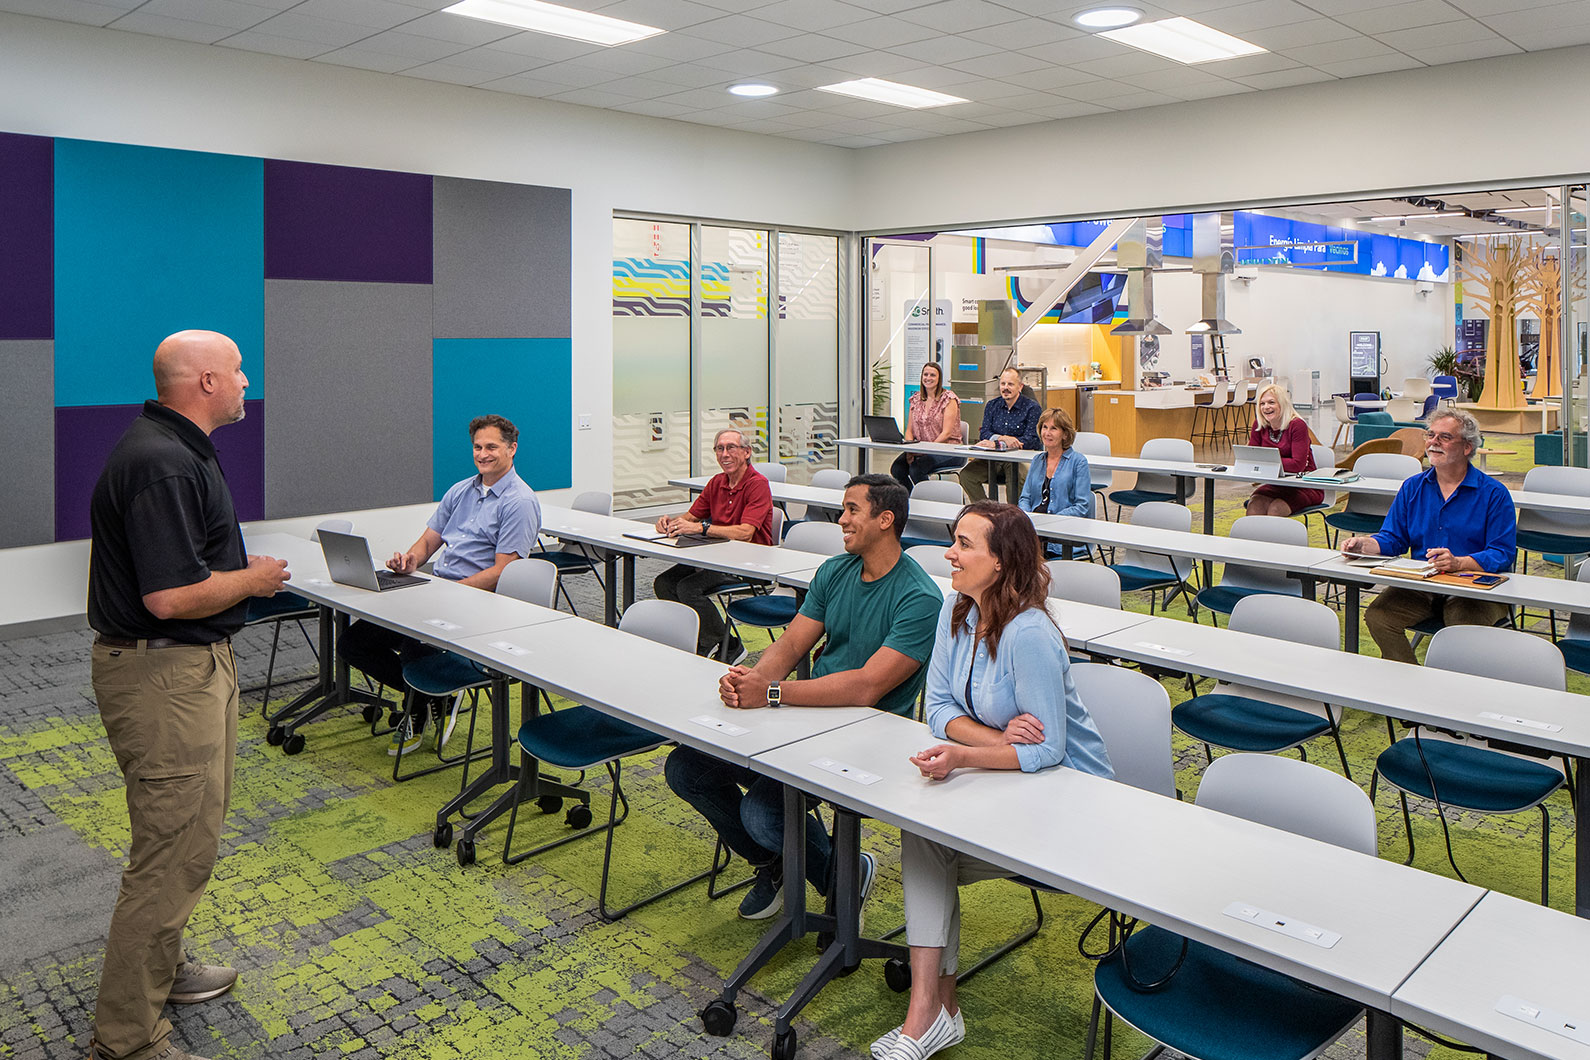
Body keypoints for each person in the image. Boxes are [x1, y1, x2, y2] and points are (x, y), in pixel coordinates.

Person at [86, 330, 292, 1060]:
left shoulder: (176, 449)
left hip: (189, 670)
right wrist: (254, 579)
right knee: (167, 852)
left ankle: (163, 970)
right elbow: (171, 596)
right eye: (237, 372)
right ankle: (127, 1038)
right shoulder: (162, 462)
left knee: (192, 841)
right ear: (206, 381)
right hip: (162, 676)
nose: (247, 382)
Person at [874, 502, 1113, 1060]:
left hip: (1072, 804)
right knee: (924, 834)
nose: (949, 553)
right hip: (1012, 783)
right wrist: (992, 740)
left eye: (963, 544)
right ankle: (931, 1012)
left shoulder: (1028, 633)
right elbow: (934, 707)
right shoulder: (955, 611)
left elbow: (1049, 750)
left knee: (930, 848)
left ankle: (934, 1013)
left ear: (1001, 563)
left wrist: (962, 754)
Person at [663, 474, 941, 920]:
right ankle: (773, 864)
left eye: (853, 510)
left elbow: (868, 686)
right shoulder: (835, 571)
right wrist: (751, 681)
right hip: (805, 711)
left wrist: (772, 692)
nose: (842, 520)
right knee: (685, 768)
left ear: (885, 519)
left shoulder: (920, 597)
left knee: (764, 814)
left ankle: (841, 880)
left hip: (868, 732)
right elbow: (791, 646)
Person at [338, 413, 541, 753]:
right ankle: (426, 700)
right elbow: (429, 541)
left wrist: (453, 590)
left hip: (478, 603)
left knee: (416, 650)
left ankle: (421, 704)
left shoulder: (519, 502)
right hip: (436, 590)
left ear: (512, 449)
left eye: (492, 446)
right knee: (353, 643)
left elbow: (504, 571)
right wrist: (412, 560)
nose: (483, 454)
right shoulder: (461, 490)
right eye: (477, 447)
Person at [1342, 408, 1516, 665]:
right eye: (1430, 435)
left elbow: (1501, 553)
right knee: (1379, 615)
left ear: (1467, 447)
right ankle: (1412, 682)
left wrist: (1459, 563)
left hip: (1472, 589)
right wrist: (1366, 544)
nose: (1433, 442)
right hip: (1423, 585)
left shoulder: (1494, 494)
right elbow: (1394, 538)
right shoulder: (1413, 487)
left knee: (1458, 632)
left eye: (1444, 437)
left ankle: (1453, 693)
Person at [652, 427, 774, 661]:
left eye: (731, 448)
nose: (724, 454)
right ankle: (708, 639)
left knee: (688, 588)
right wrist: (670, 523)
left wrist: (702, 528)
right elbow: (691, 517)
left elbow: (746, 532)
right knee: (664, 583)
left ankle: (724, 644)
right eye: (719, 449)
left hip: (748, 563)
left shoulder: (758, 484)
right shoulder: (717, 482)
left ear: (747, 452)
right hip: (715, 556)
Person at [1018, 407, 1093, 558]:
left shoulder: (1078, 462)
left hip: (1062, 530)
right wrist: (1027, 517)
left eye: (1054, 428)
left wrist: (1051, 520)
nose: (1047, 433)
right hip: (1035, 528)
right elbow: (1025, 498)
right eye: (1044, 427)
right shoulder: (1037, 460)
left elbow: (1082, 506)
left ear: (1065, 434)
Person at [958, 367, 1041, 503]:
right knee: (967, 475)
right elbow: (984, 433)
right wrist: (1003, 439)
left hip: (1018, 459)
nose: (1005, 388)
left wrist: (998, 442)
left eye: (1010, 384)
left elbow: (1032, 440)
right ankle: (987, 511)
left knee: (1016, 475)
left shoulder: (1032, 408)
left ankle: (1013, 515)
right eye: (1003, 384)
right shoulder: (992, 405)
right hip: (992, 459)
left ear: (1020, 387)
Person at [1244, 382, 1322, 516]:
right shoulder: (1259, 425)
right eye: (1262, 404)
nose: (1266, 407)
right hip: (1276, 483)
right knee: (1254, 504)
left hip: (1304, 484)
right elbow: (1253, 459)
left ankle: (1273, 537)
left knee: (1276, 508)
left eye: (1271, 402)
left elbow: (1298, 465)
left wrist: (1267, 462)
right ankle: (1250, 537)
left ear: (1282, 404)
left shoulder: (1297, 425)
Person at [890, 362, 963, 488]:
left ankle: (928, 499)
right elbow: (909, 430)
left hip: (949, 450)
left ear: (939, 378)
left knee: (916, 469)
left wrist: (925, 450)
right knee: (897, 468)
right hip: (919, 450)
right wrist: (909, 451)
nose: (928, 378)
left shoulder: (949, 399)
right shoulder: (916, 399)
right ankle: (910, 499)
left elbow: (947, 433)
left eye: (933, 375)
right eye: (926, 374)